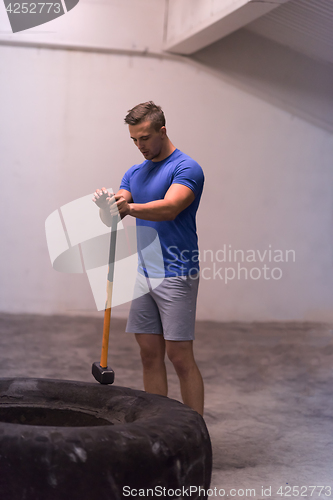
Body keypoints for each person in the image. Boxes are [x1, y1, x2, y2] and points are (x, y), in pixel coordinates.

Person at [93, 101, 205, 415]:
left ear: (162, 130)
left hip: (176, 272)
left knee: (180, 357)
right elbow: (115, 216)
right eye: (134, 140)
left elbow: (170, 208)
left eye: (145, 138)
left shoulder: (186, 168)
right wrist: (108, 207)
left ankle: (196, 433)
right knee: (148, 355)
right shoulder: (135, 172)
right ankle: (161, 426)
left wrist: (128, 208)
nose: (140, 146)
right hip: (144, 273)